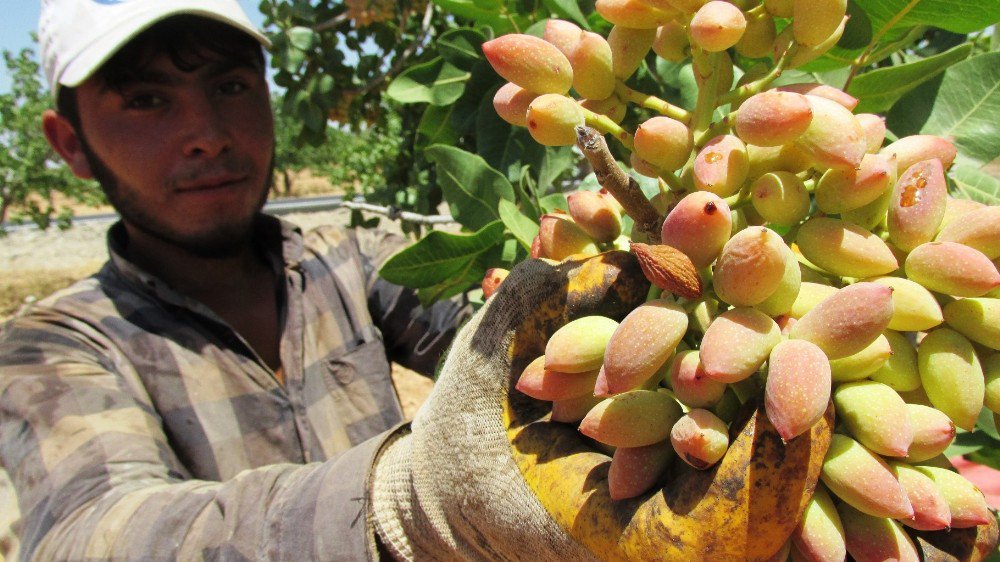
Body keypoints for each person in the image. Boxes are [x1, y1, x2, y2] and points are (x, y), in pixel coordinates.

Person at [0, 1, 474, 559]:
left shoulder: (352, 263)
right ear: (70, 143)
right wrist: (394, 501)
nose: (207, 135)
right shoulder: (53, 346)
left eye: (229, 86)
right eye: (146, 100)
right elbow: (91, 531)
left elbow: (493, 328)